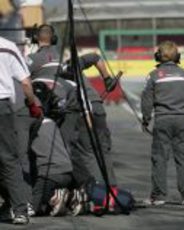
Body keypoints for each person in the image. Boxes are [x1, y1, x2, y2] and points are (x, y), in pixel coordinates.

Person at [27, 24, 118, 186]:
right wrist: (107, 79)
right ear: (54, 39)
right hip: (95, 106)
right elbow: (95, 57)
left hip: (75, 109)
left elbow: (22, 80)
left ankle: (94, 192)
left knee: (80, 152)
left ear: (35, 39)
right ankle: (111, 191)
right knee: (103, 151)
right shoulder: (65, 60)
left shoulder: (34, 60)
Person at [141, 41, 184, 206]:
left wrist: (145, 119)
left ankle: (159, 197)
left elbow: (147, 100)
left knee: (160, 159)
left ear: (158, 56)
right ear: (177, 57)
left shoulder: (153, 75)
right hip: (183, 120)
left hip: (162, 120)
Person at [0, 36, 42, 224]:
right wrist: (33, 104)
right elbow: (25, 82)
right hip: (2, 107)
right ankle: (20, 211)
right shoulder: (7, 47)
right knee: (9, 158)